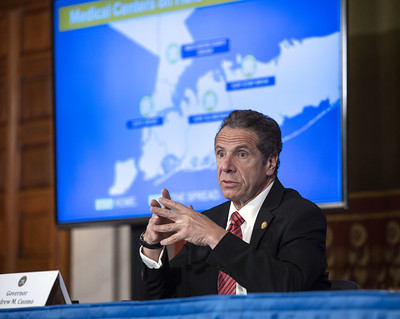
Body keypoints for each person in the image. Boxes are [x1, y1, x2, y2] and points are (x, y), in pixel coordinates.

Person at [133, 109, 330, 300]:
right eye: (220, 154)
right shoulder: (209, 220)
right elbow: (161, 303)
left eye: (241, 154)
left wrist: (216, 236)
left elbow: (290, 288)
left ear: (270, 162)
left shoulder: (301, 216)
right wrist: (153, 245)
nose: (225, 166)